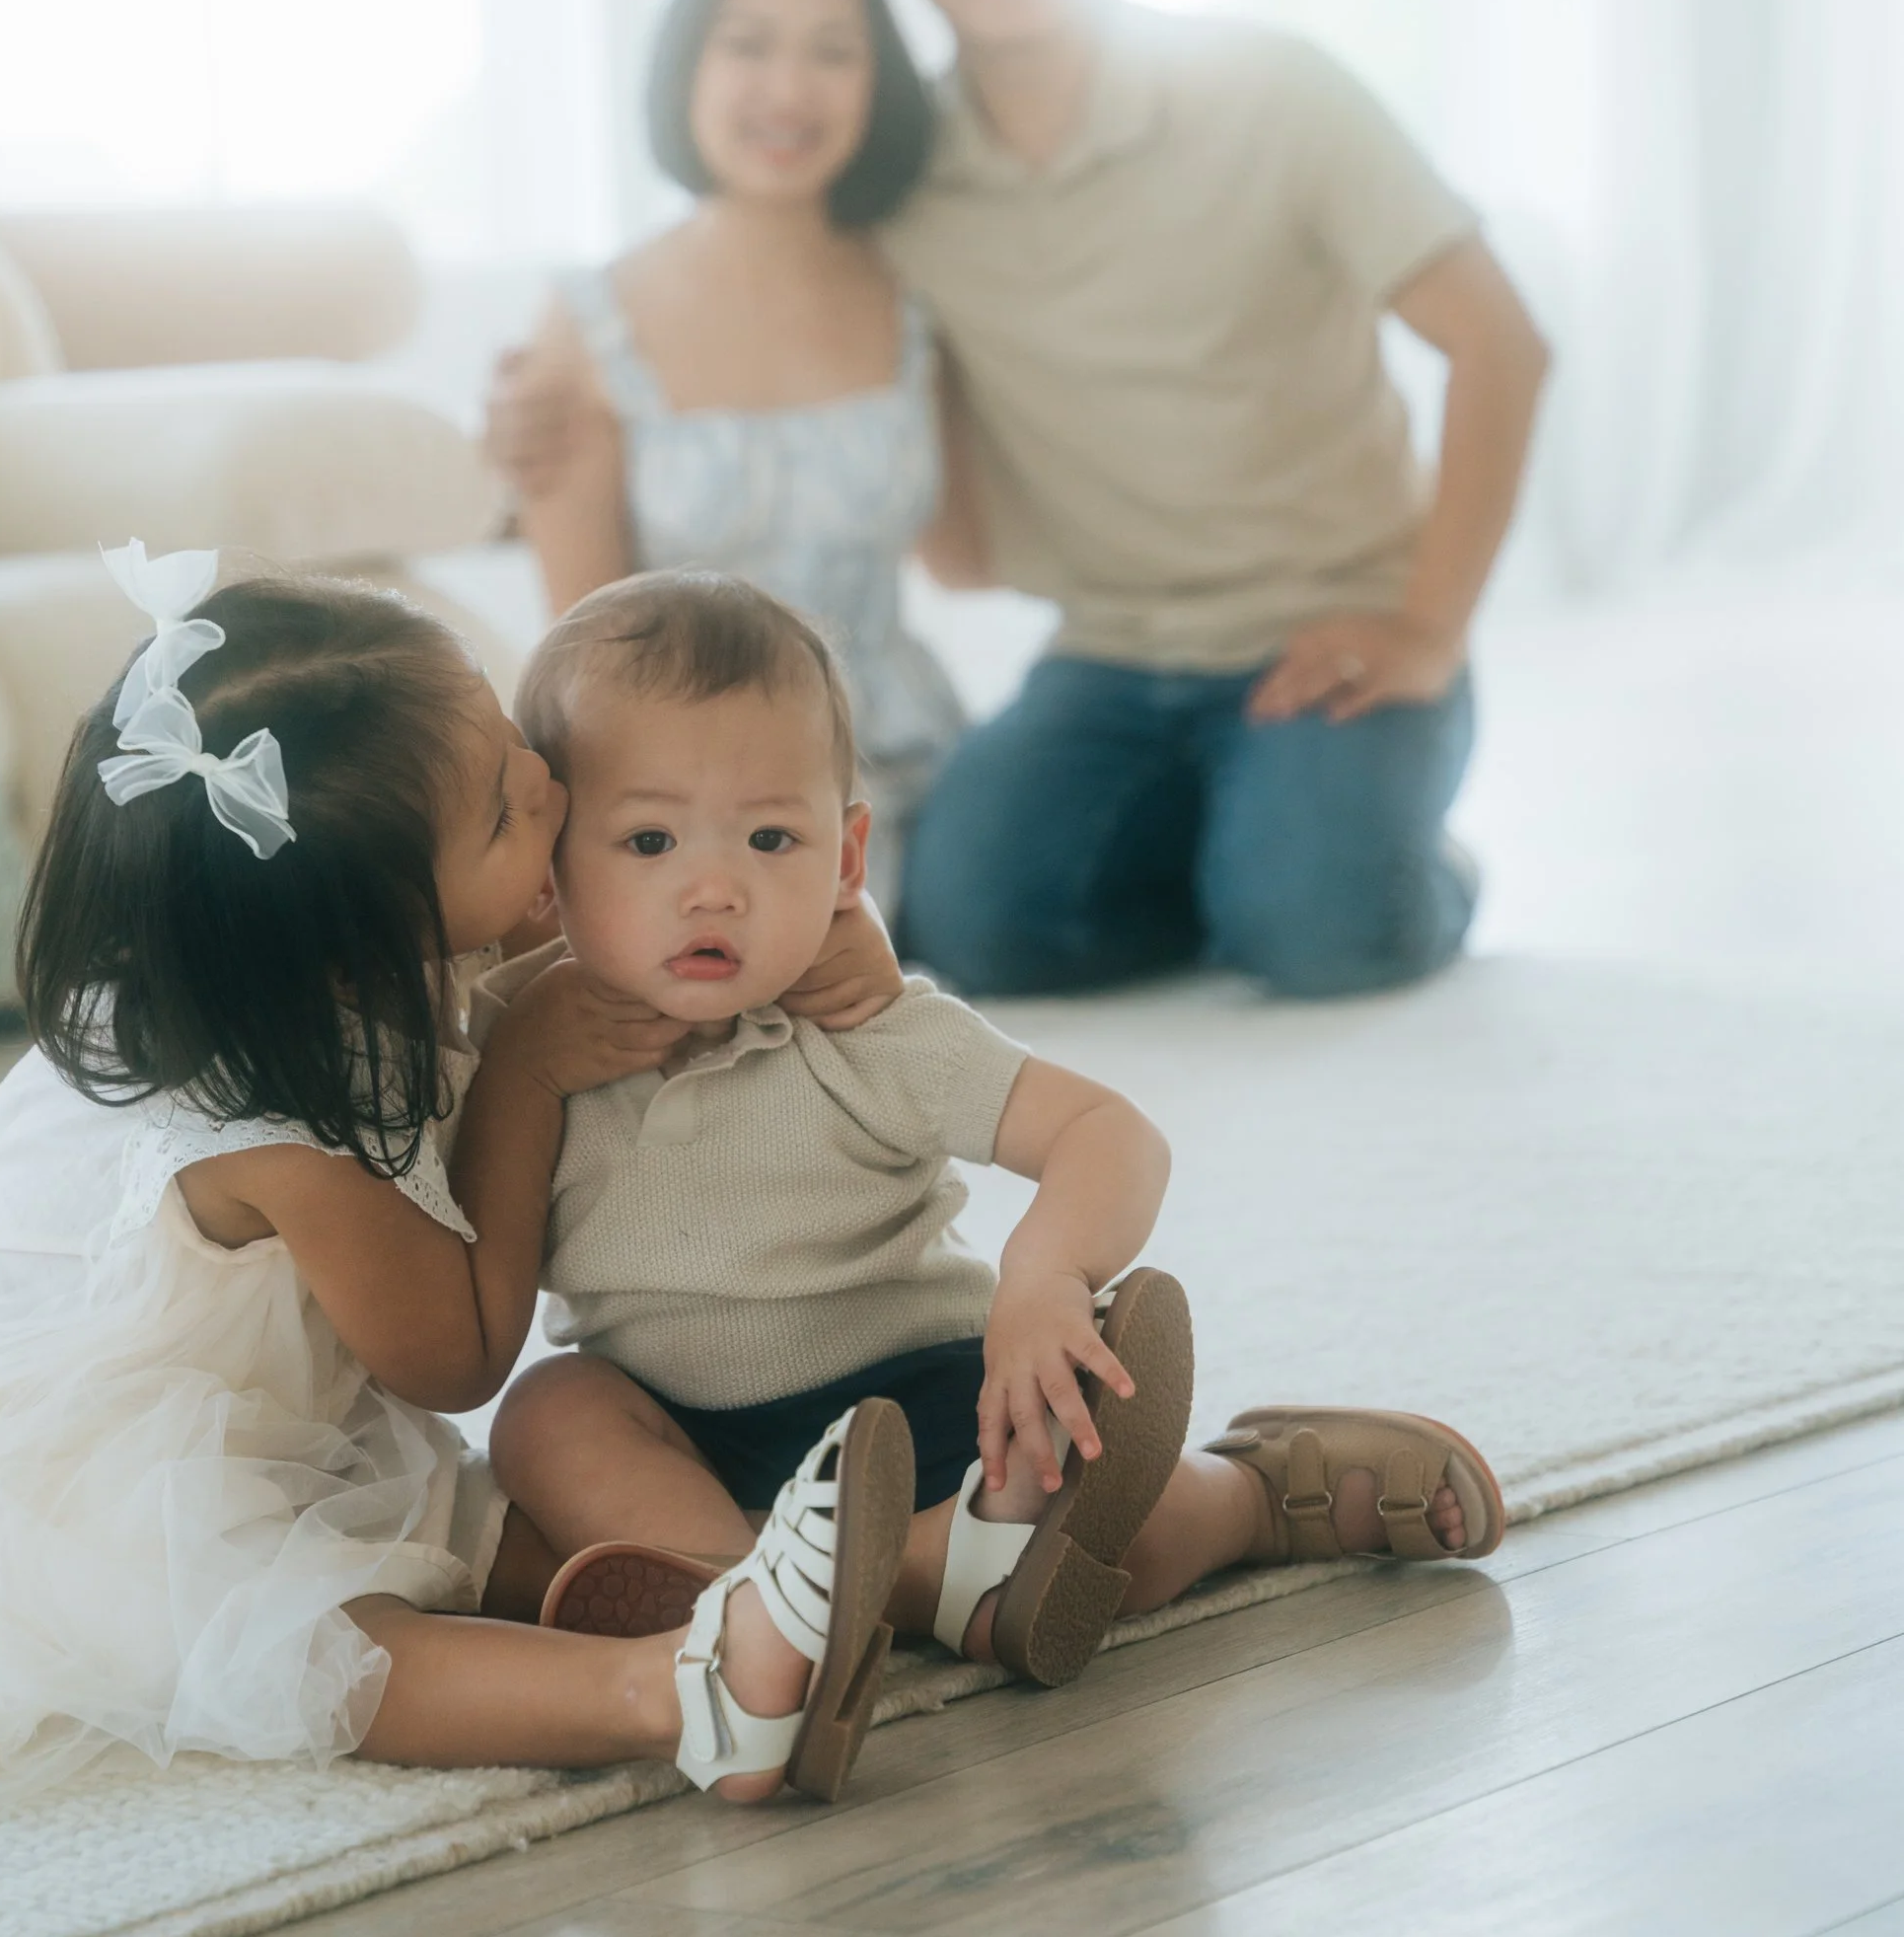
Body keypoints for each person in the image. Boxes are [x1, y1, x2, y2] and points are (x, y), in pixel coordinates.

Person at [0, 546, 920, 1814]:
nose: (546, 776)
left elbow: (625, 931)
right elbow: (458, 1356)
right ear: (378, 939)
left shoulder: (276, 971)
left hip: (253, 1438)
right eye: (501, 807)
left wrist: (792, 906)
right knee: (325, 1643)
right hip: (47, 1521)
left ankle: (849, 1583)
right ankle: (671, 1694)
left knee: (531, 1532)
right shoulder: (262, 1132)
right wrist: (521, 1077)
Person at [481, 571, 1508, 1678]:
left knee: (1130, 1538)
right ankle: (798, 1604)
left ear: (845, 859)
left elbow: (1109, 1133)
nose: (714, 888)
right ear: (546, 875)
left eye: (770, 839)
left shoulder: (867, 1027)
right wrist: (519, 1063)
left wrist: (1044, 1277)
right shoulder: (522, 1051)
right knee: (547, 1412)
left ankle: (1255, 1493)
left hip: (928, 1408)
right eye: (648, 844)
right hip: (686, 1449)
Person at [873, 0, 1554, 1000]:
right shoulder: (899, 182)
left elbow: (1499, 340)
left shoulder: (1270, 90)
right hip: (1106, 651)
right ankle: (1251, 853)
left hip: (1332, 629)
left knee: (1318, 936)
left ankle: (1364, 864)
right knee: (969, 929)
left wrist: (1427, 626)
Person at [486, 0, 977, 912]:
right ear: (687, 65)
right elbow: (578, 654)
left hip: (913, 762)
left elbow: (972, 556)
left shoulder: (918, 291)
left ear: (876, 82)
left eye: (832, 51)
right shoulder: (586, 321)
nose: (788, 90)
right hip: (706, 793)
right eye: (747, 44)